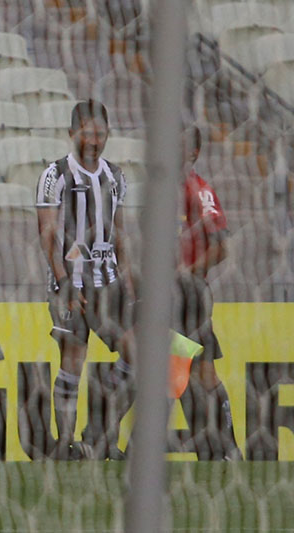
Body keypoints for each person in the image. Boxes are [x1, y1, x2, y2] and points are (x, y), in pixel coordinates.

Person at [36, 99, 137, 460]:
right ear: (72, 133)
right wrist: (63, 281)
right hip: (71, 283)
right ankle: (66, 444)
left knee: (136, 355)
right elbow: (47, 231)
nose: (95, 140)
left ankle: (99, 432)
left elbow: (120, 233)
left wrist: (129, 280)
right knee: (73, 361)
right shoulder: (56, 174)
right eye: (88, 133)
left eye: (101, 133)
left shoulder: (115, 176)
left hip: (108, 283)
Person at [175, 125, 241, 460]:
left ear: (193, 153)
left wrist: (189, 271)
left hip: (190, 294)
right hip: (168, 294)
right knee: (181, 371)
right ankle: (210, 448)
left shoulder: (199, 190)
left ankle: (227, 447)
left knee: (202, 371)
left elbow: (222, 247)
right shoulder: (165, 193)